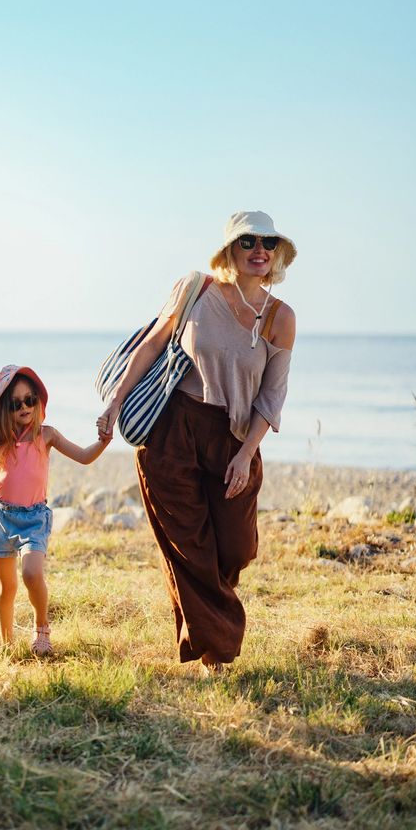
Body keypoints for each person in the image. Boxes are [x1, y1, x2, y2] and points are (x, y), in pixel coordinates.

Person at [97, 211, 297, 674]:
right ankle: (215, 651)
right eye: (247, 242)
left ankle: (207, 628)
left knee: (236, 548)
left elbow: (272, 396)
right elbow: (150, 346)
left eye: (267, 242)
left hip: (234, 438)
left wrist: (246, 455)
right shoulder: (196, 289)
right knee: (189, 545)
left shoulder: (280, 319)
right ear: (230, 249)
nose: (258, 250)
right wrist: (114, 403)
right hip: (172, 429)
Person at [0, 364, 110, 656]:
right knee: (6, 587)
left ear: (39, 401)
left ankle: (41, 628)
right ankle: (6, 644)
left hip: (33, 519)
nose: (25, 407)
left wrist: (102, 443)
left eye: (30, 400)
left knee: (31, 572)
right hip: (1, 517)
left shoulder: (47, 435)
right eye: (17, 403)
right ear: (5, 407)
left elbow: (83, 456)